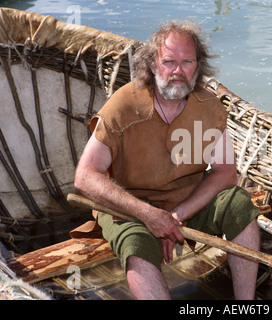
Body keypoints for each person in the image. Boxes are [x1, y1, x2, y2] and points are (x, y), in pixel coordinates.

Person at [74, 20, 260, 300]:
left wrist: (176, 217)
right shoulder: (125, 105)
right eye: (169, 61)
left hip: (187, 205)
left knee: (238, 203)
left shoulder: (210, 108)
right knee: (136, 244)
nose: (178, 71)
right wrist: (149, 216)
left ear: (198, 66)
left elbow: (224, 173)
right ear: (153, 65)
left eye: (187, 61)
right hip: (130, 209)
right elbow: (85, 176)